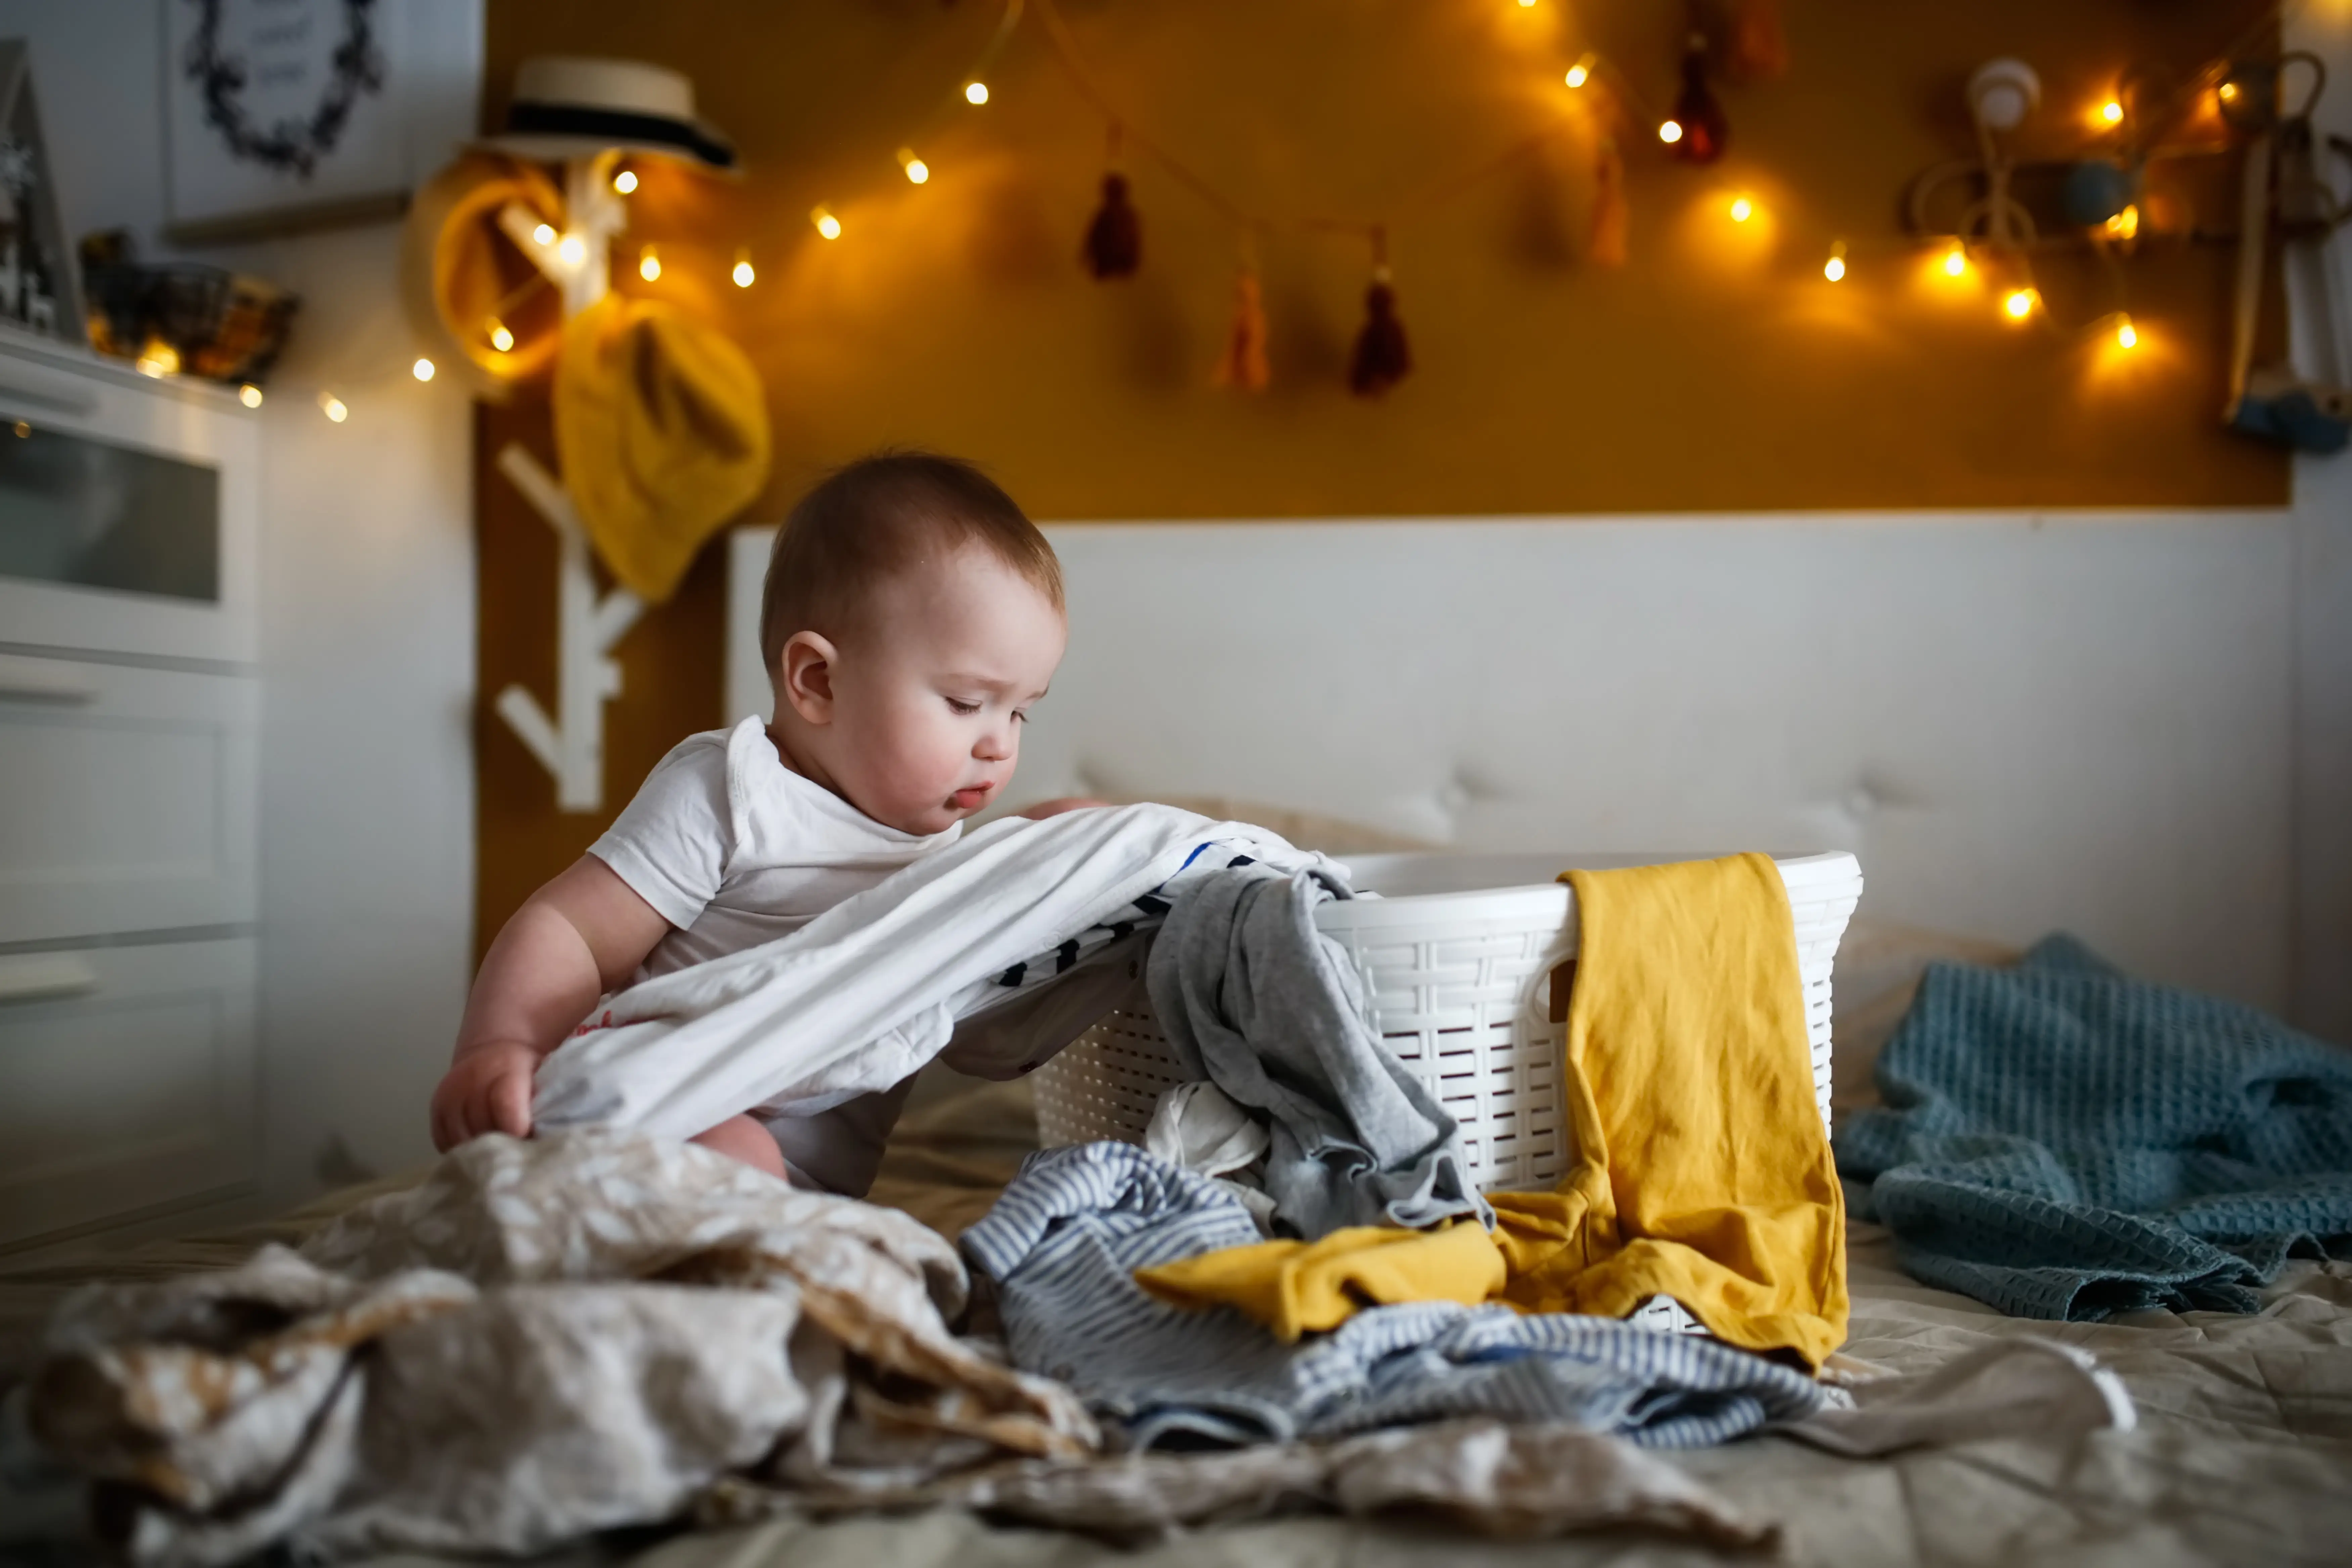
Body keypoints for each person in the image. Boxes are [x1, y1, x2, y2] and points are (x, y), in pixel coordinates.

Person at [429, 452, 1097, 1181]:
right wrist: (500, 1047)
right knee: (738, 1152)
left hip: (813, 1193)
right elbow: (577, 933)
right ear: (818, 681)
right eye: (967, 703)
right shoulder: (736, 793)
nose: (999, 744)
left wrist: (1060, 854)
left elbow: (987, 1021)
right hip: (657, 1115)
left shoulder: (941, 857)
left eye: (1021, 712)